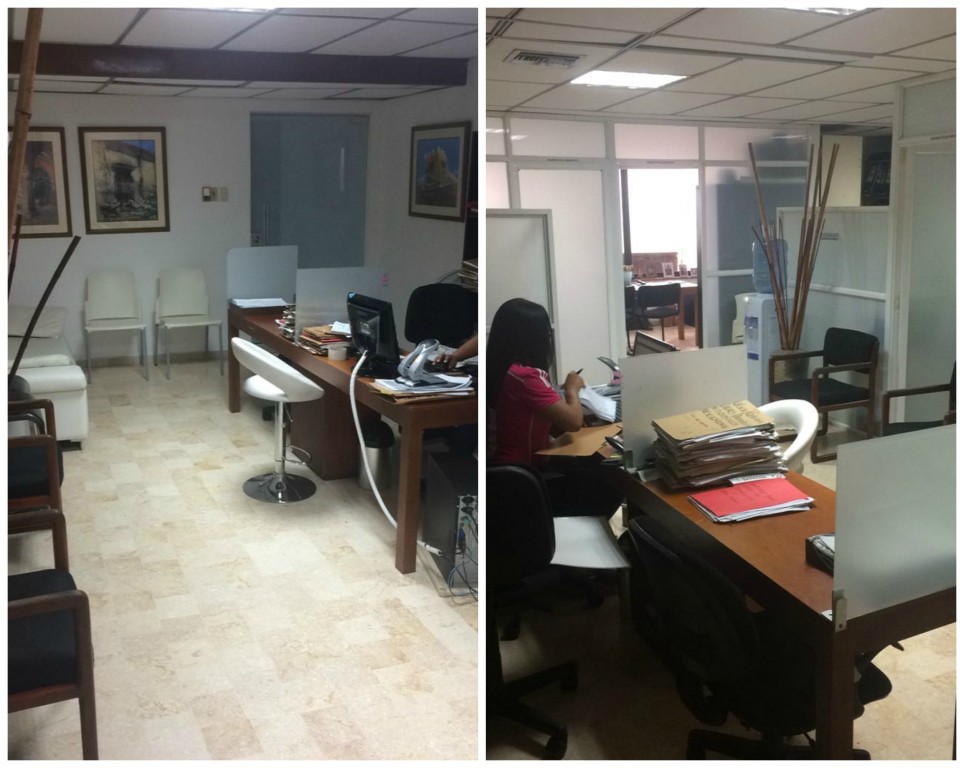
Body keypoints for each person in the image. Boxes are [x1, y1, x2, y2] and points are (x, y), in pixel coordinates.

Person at [487, 297, 623, 518]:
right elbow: (573, 422)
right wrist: (572, 389)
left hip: (506, 470)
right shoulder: (526, 377)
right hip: (523, 478)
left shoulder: (500, 368)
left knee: (589, 464)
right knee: (612, 481)